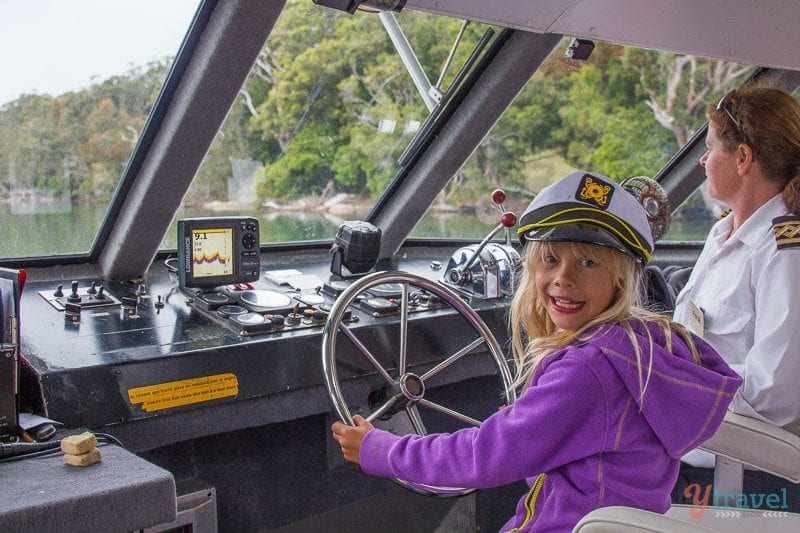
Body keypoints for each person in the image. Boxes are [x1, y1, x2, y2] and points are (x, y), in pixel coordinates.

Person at [331, 170, 741, 532]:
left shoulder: (588, 372)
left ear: (621, 279)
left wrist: (380, 449)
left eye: (588, 263)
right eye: (550, 258)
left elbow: (486, 455)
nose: (562, 279)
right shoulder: (642, 344)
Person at [672, 84, 800, 504]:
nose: (704, 160)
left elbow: (775, 390)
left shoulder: (786, 251)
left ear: (744, 158)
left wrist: (675, 390)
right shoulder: (724, 232)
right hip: (691, 453)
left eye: (710, 148)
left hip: (743, 481)